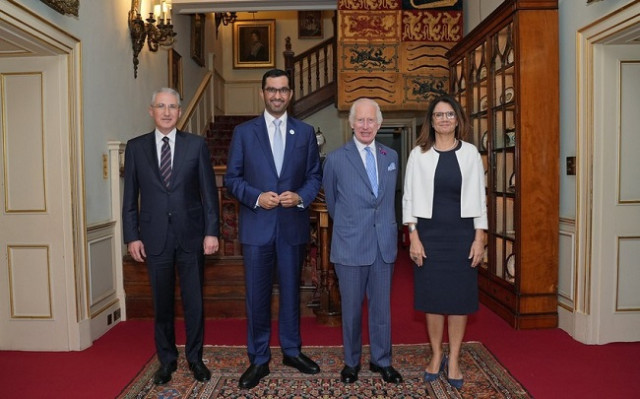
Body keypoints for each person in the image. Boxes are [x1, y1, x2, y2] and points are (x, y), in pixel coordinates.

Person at [224, 68, 323, 389]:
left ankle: (292, 351)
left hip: (292, 227)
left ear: (290, 94)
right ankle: (259, 358)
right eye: (271, 90)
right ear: (262, 93)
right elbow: (232, 179)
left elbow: (314, 177)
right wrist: (255, 197)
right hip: (257, 228)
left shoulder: (305, 133)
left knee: (292, 293)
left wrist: (301, 197)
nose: (277, 95)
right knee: (257, 296)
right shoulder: (243, 132)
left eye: (282, 90)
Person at [122, 87, 220, 385]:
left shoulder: (196, 145)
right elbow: (130, 198)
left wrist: (211, 231)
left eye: (173, 107)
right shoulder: (136, 147)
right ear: (151, 110)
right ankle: (166, 360)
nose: (167, 112)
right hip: (154, 238)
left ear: (180, 112)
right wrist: (132, 236)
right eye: (161, 106)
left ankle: (195, 358)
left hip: (191, 236)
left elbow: (208, 193)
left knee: (194, 302)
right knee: (162, 303)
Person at [402, 94, 487, 389]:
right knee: (434, 299)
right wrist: (413, 235)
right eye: (439, 114)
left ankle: (455, 358)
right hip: (428, 234)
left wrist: (480, 237)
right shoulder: (418, 154)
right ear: (431, 120)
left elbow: (480, 198)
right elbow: (408, 197)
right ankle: (437, 354)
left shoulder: (471, 154)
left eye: (449, 114)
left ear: (458, 119)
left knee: (459, 300)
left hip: (463, 234)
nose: (444, 119)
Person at [322, 98, 403, 385]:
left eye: (371, 120)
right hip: (350, 247)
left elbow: (388, 200)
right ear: (351, 124)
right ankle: (351, 362)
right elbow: (333, 204)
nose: (366, 125)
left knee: (382, 310)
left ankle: (382, 361)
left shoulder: (391, 157)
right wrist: (353, 225)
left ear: (379, 124)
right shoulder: (335, 159)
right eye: (361, 120)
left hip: (384, 246)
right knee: (352, 311)